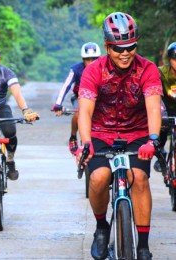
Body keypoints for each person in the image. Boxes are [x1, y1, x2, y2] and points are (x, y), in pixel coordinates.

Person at [76, 12, 162, 260]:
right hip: (101, 133)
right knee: (99, 177)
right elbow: (85, 111)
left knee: (140, 179)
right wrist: (87, 142)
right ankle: (101, 227)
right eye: (118, 48)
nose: (125, 53)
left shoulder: (148, 69)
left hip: (137, 133)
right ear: (107, 47)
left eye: (131, 47)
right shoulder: (93, 71)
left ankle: (143, 245)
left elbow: (153, 107)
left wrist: (153, 139)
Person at [0, 41, 39, 180]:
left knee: (10, 131)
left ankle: (10, 159)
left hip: (0, 108)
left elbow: (17, 93)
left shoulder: (7, 73)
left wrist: (26, 110)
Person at [53, 42, 101, 155]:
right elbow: (66, 86)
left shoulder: (104, 69)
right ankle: (73, 137)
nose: (91, 62)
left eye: (94, 59)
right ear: (83, 59)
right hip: (79, 98)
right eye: (87, 59)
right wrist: (58, 104)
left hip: (99, 98)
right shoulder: (76, 69)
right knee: (80, 112)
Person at [153, 42, 176, 172]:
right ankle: (161, 152)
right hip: (165, 107)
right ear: (169, 59)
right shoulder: (161, 72)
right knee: (162, 127)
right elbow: (155, 93)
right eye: (174, 59)